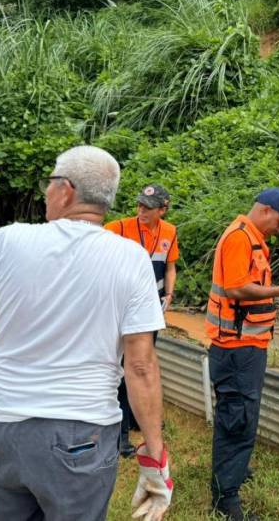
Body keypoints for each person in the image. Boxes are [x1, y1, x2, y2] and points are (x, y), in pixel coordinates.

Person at [0, 146, 173, 521]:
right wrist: (154, 456)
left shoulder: (8, 241)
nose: (46, 192)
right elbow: (141, 366)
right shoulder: (131, 258)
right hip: (82, 432)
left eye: (49, 183)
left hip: (2, 426)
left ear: (66, 190)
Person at [205, 187, 279, 521]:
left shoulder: (253, 240)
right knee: (238, 418)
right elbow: (235, 288)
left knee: (239, 413)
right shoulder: (239, 238)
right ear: (264, 210)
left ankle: (230, 472)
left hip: (248, 346)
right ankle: (225, 498)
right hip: (235, 348)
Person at [105, 184, 179, 457]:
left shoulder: (169, 232)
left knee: (142, 362)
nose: (141, 211)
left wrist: (169, 294)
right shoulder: (117, 228)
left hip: (151, 308)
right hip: (122, 307)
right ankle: (119, 432)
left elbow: (170, 267)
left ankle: (136, 418)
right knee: (126, 368)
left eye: (148, 208)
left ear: (162, 209)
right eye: (139, 205)